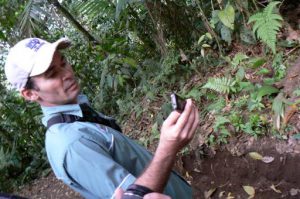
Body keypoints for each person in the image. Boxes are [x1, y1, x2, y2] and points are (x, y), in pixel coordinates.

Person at [4, 37, 199, 199]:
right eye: (52, 74)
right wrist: (167, 148)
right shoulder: (71, 144)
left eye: (63, 62)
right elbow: (133, 197)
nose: (67, 74)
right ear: (30, 94)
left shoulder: (77, 115)